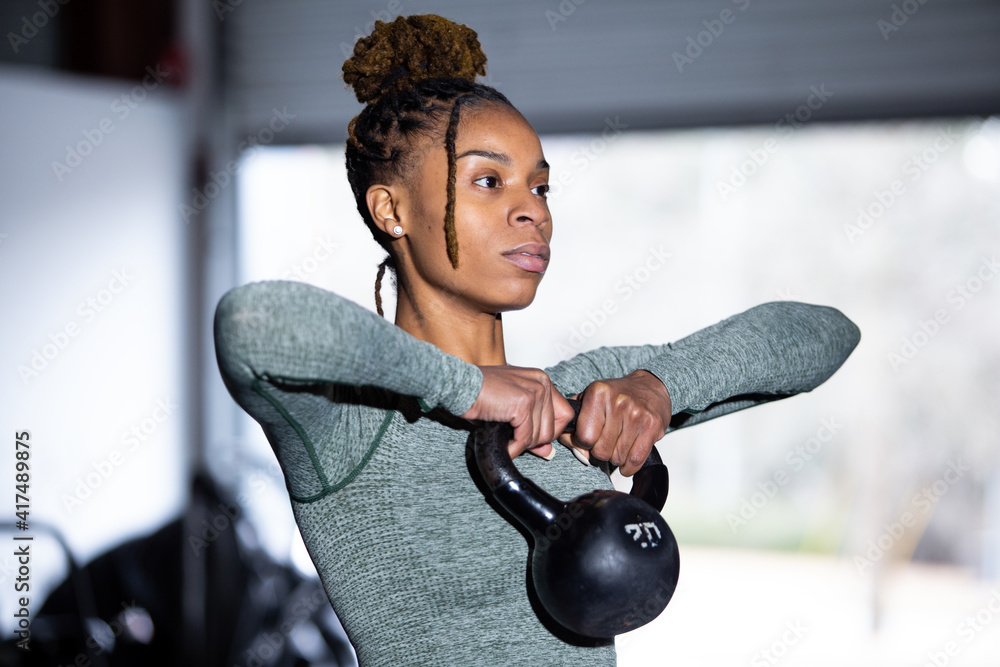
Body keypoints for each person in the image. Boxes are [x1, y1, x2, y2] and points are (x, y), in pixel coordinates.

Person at [213, 14, 861, 666]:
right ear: (393, 210)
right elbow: (253, 323)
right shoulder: (355, 423)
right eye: (489, 181)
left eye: (541, 184)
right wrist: (465, 388)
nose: (535, 211)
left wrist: (657, 388)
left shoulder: (570, 398)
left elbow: (824, 335)